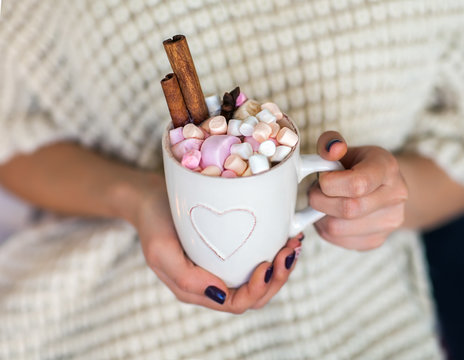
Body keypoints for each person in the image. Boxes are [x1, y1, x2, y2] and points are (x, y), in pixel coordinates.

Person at [0, 1, 463, 359]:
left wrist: (373, 200)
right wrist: (137, 197)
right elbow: (12, 132)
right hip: (116, 310)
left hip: (364, 314)